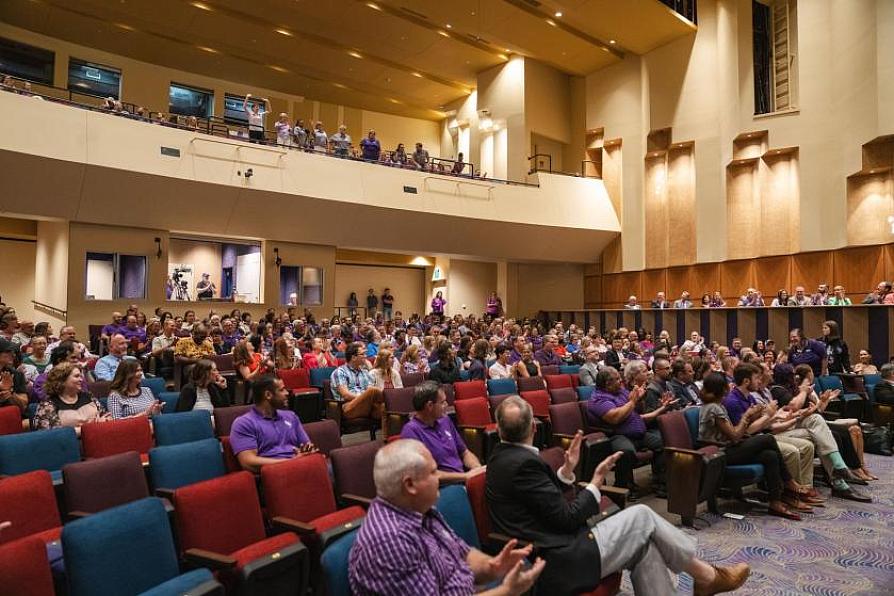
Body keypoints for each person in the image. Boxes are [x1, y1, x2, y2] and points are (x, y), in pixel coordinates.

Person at [486, 396, 750, 596]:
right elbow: (566, 519)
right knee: (642, 517)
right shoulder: (524, 464)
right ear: (534, 426)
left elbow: (538, 500)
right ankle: (705, 575)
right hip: (557, 560)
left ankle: (705, 578)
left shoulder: (504, 458)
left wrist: (566, 471)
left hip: (555, 545)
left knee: (645, 546)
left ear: (498, 430)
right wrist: (596, 482)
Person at [348, 439, 543, 596]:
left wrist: (493, 566)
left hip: (469, 588)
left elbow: (462, 553)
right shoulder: (390, 542)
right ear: (410, 485)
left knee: (523, 570)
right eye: (433, 472)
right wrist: (506, 591)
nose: (439, 478)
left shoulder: (421, 509)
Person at [699, 372, 803, 520]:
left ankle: (775, 501)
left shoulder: (716, 405)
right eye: (727, 384)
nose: (730, 385)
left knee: (770, 456)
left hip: (726, 448)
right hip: (718, 454)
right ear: (722, 389)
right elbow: (735, 436)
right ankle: (788, 481)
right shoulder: (713, 408)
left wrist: (752, 415)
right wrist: (746, 416)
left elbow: (736, 434)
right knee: (767, 439)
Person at [587, 366, 669, 497]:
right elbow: (615, 417)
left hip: (638, 434)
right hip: (616, 436)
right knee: (626, 452)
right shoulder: (598, 399)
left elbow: (634, 409)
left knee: (663, 444)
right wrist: (633, 401)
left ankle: (660, 483)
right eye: (617, 379)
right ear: (608, 384)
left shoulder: (620, 391)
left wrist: (640, 398)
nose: (621, 381)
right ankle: (622, 487)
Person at [230, 375, 317, 473]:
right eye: (282, 390)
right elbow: (248, 463)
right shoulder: (244, 423)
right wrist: (291, 463)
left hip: (300, 467)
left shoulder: (291, 416)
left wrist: (308, 452)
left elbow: (307, 445)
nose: (287, 393)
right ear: (268, 395)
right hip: (273, 475)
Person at [399, 381, 481, 481]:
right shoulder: (411, 431)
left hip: (463, 480)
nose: (447, 405)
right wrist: (466, 476)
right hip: (440, 488)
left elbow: (465, 452)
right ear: (429, 406)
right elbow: (427, 474)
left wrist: (477, 469)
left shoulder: (445, 420)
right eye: (442, 402)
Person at [34, 363, 108, 433]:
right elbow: (52, 435)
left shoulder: (88, 396)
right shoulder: (48, 405)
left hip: (96, 438)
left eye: (81, 376)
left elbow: (104, 415)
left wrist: (105, 420)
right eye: (76, 376)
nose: (81, 380)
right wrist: (89, 428)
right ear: (62, 380)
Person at [331, 342, 384, 420]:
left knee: (387, 410)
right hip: (348, 407)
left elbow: (370, 390)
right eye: (362, 354)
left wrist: (367, 399)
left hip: (366, 406)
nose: (365, 356)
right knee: (374, 391)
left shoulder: (365, 372)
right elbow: (346, 395)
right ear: (353, 357)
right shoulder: (340, 372)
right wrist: (365, 398)